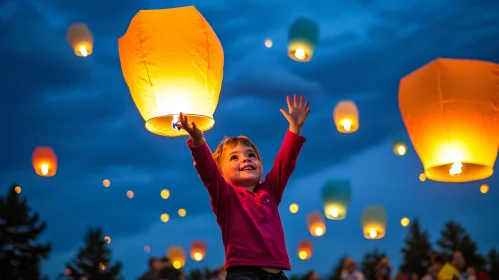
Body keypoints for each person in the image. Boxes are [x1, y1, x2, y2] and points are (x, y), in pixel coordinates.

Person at [179, 94, 311, 280]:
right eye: (234, 157)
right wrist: (198, 141)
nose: (245, 159)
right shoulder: (225, 196)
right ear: (221, 174)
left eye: (251, 155)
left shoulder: (269, 193)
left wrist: (295, 129)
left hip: (277, 275)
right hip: (244, 273)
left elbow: (285, 162)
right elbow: (208, 171)